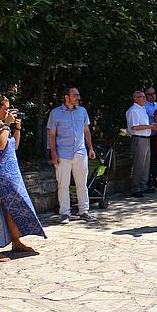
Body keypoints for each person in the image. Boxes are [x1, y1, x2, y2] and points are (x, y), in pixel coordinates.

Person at [0, 90, 46, 262]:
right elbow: (0, 145)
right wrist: (7, 126)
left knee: (12, 208)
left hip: (9, 174)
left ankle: (16, 242)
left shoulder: (2, 124)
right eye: (6, 109)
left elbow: (13, 146)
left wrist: (17, 127)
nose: (9, 112)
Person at [47, 87, 97, 224]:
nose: (78, 97)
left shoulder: (82, 111)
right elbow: (51, 135)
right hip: (63, 153)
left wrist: (90, 148)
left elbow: (86, 131)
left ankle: (84, 211)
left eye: (78, 94)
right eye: (75, 95)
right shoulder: (55, 113)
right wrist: (53, 154)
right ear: (66, 97)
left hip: (80, 152)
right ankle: (64, 213)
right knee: (63, 184)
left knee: (82, 183)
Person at [126, 90, 157, 198]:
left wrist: (151, 126)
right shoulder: (133, 110)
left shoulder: (143, 109)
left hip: (146, 137)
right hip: (138, 138)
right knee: (138, 164)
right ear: (135, 98)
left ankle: (144, 185)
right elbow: (135, 127)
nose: (144, 98)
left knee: (146, 164)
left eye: (143, 96)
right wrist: (150, 126)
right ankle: (136, 188)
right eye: (141, 97)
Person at [144, 86, 157, 187]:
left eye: (153, 93)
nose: (152, 96)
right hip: (148, 135)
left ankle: (156, 178)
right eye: (150, 94)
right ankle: (149, 180)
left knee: (156, 158)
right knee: (149, 159)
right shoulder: (144, 106)